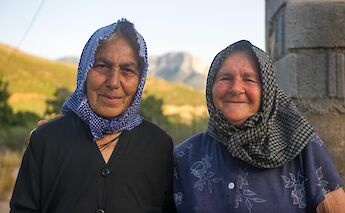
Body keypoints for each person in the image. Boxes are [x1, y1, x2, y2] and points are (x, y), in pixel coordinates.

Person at [10, 19, 176, 212]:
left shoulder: (159, 146)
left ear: (140, 80)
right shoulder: (46, 140)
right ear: (84, 71)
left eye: (127, 70)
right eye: (102, 66)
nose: (113, 82)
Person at [173, 40, 345, 212]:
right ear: (211, 86)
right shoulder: (184, 156)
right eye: (225, 78)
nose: (236, 88)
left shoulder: (302, 148)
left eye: (249, 79)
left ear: (267, 92)